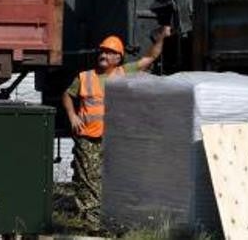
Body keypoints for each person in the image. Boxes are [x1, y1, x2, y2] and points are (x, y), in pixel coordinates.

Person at [63, 27, 172, 227]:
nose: (103, 55)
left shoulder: (124, 73)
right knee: (88, 180)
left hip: (114, 138)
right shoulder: (85, 77)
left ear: (118, 58)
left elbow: (150, 58)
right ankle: (91, 223)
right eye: (102, 52)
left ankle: (109, 220)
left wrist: (161, 38)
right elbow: (67, 95)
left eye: (109, 53)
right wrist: (72, 116)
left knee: (113, 179)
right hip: (88, 137)